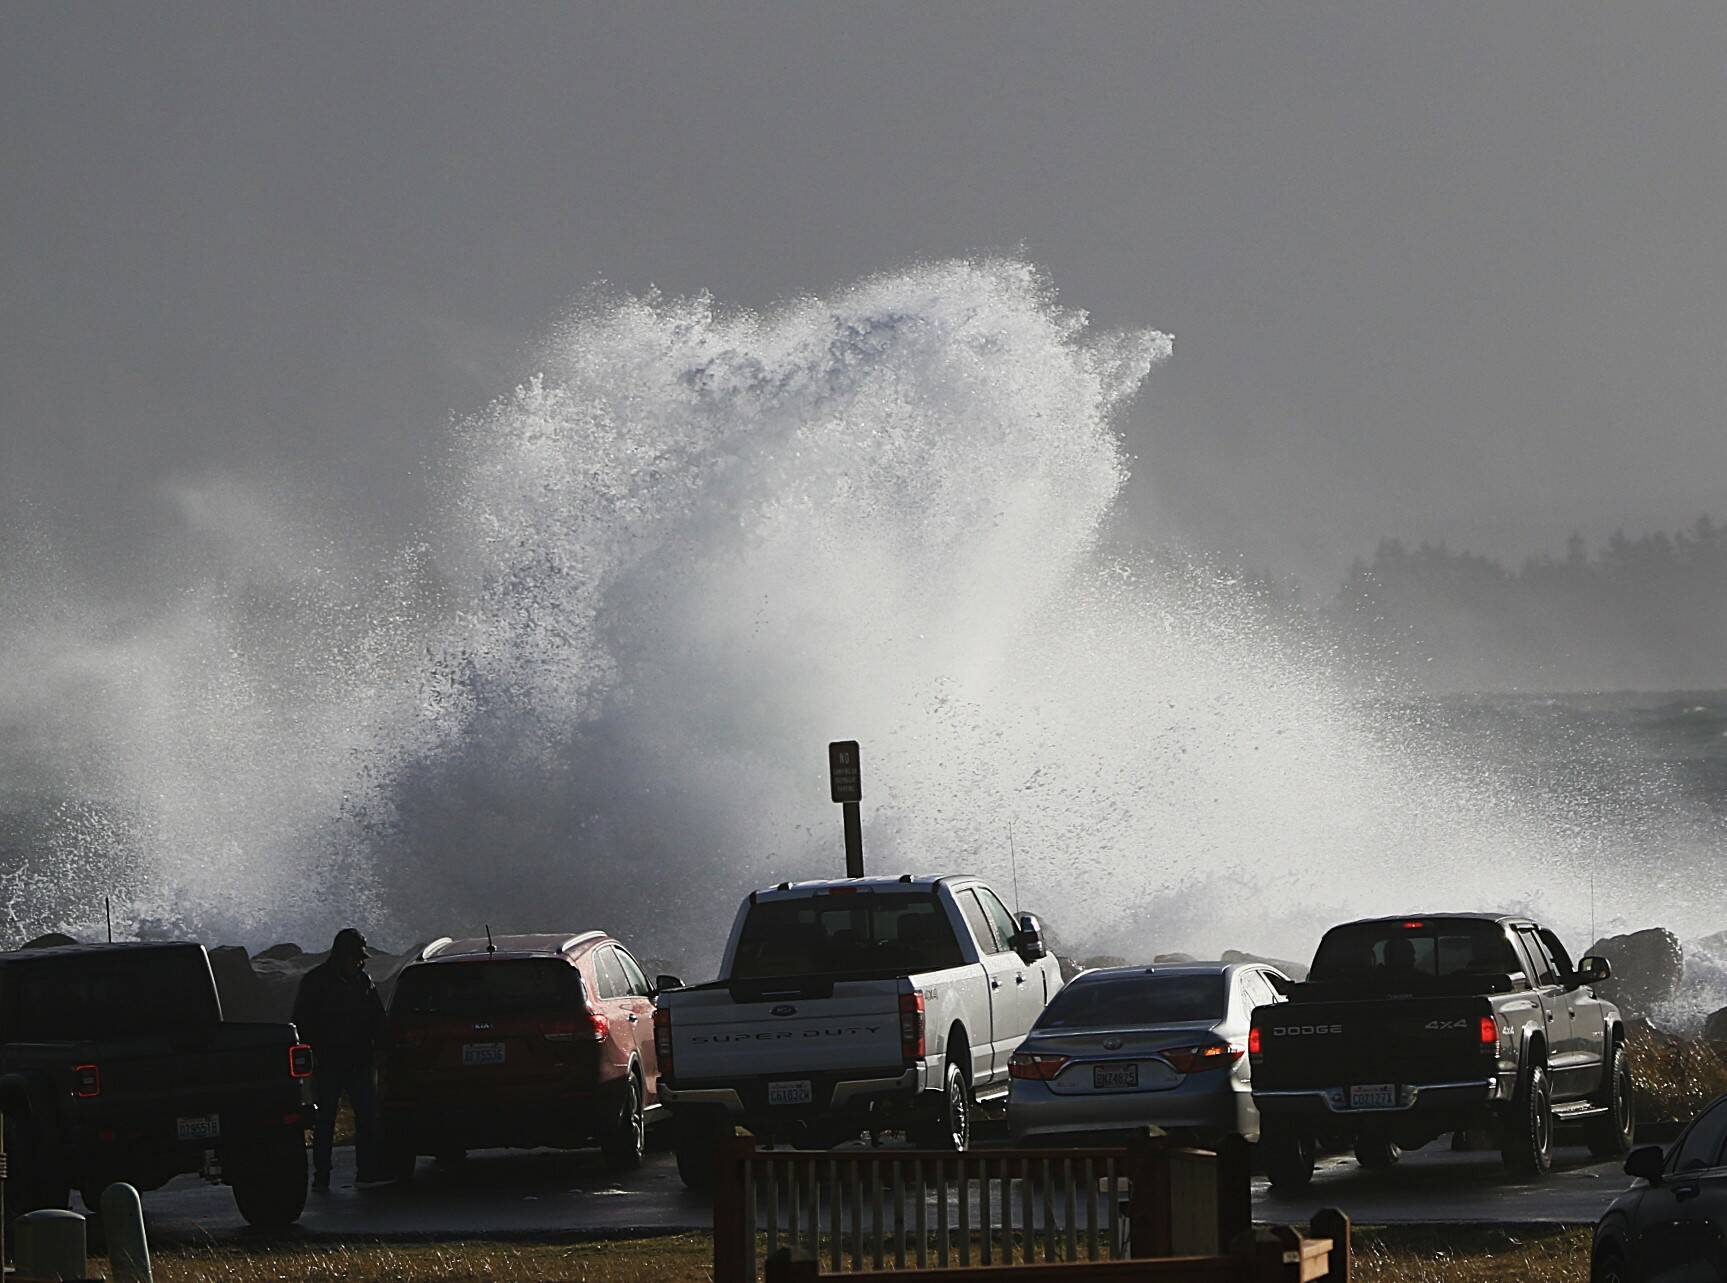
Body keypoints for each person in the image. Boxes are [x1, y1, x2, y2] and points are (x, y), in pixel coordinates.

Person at [292, 927, 386, 1190]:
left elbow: (377, 1018)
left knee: (367, 1117)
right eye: (356, 956)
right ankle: (322, 1175)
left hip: (359, 1062)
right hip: (329, 1064)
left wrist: (380, 1047)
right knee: (325, 1121)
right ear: (341, 955)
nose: (360, 961)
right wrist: (315, 1055)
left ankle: (366, 1170)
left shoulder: (363, 981)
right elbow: (301, 1022)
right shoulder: (316, 982)